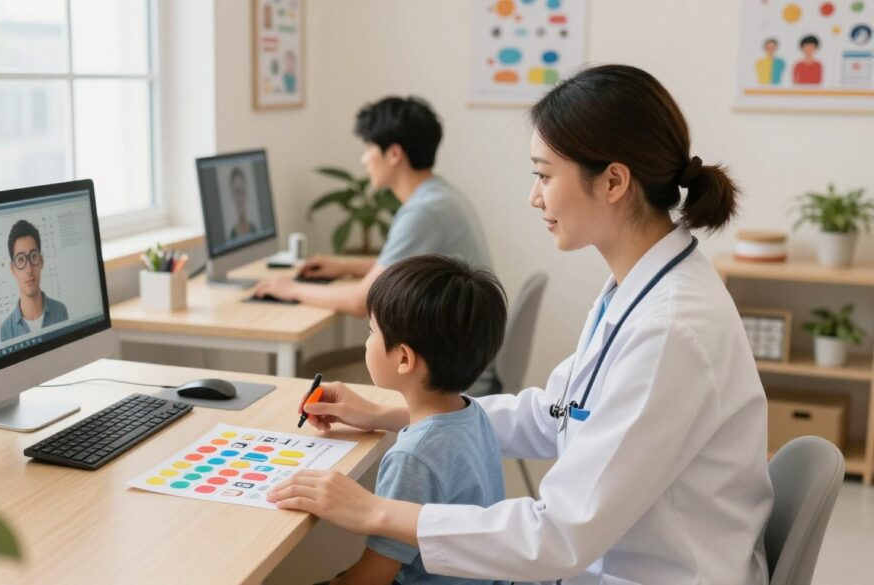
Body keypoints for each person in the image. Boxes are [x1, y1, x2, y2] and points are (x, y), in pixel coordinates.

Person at [268, 64, 774, 585]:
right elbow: (555, 415)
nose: (535, 197)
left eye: (544, 174)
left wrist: (373, 512)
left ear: (615, 181)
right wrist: (393, 410)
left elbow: (557, 537)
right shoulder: (640, 288)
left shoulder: (670, 330)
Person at [253, 96, 497, 394]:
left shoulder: (424, 211)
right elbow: (408, 266)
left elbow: (361, 301)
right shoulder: (437, 195)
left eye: (369, 148)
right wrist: (344, 266)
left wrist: (290, 288)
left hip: (452, 378)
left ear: (394, 154)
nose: (364, 159)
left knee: (313, 372)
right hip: (459, 356)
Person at [317, 255, 508, 585]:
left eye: (371, 331)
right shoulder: (470, 412)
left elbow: (374, 576)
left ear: (404, 358)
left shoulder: (412, 458)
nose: (367, 341)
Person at [0, 220, 69, 342]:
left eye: (33, 257)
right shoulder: (6, 330)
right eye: (21, 260)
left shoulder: (60, 311)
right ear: (13, 269)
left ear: (41, 261)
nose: (29, 269)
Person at [228, 167, 258, 240]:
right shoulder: (232, 235)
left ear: (246, 194)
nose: (240, 199)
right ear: (233, 196)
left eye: (241, 191)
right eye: (237, 192)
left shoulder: (255, 230)